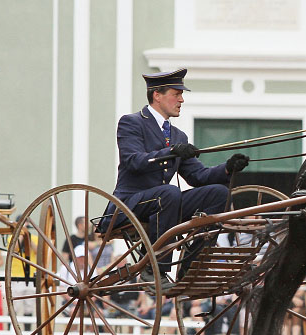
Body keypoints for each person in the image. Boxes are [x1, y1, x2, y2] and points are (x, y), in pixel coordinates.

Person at [107, 68, 249, 291]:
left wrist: (228, 169)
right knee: (170, 193)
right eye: (177, 93)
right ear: (157, 95)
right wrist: (171, 152)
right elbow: (132, 160)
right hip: (132, 203)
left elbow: (198, 177)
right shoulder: (132, 122)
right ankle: (154, 268)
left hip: (166, 204)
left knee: (219, 193)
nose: (182, 99)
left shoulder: (178, 136)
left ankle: (192, 265)